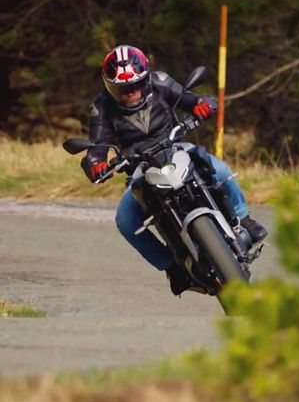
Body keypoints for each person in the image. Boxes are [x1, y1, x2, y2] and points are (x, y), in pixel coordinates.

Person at [80, 44, 267, 295]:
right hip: (139, 169)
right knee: (125, 221)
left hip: (176, 148)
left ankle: (243, 219)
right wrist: (96, 165)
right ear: (110, 86)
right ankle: (172, 267)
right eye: (122, 88)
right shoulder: (101, 108)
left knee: (221, 170)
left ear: (145, 78)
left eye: (135, 85)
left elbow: (194, 100)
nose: (130, 92)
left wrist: (203, 105)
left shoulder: (161, 82)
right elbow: (96, 149)